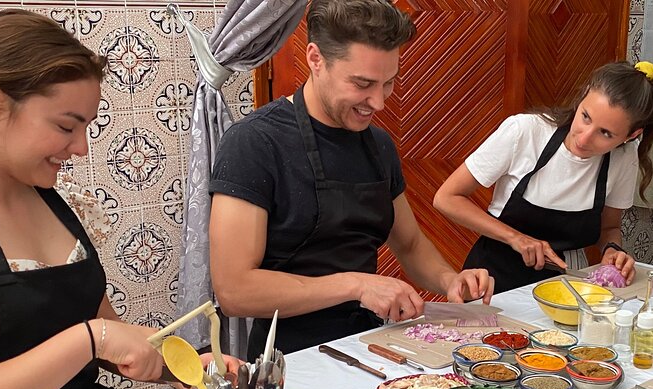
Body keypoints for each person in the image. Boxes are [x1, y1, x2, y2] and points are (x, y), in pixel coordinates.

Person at [0, 10, 238, 389]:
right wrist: (91, 339)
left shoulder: (70, 208)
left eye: (86, 126)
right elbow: (95, 335)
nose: (81, 148)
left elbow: (108, 335)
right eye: (66, 125)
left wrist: (180, 366)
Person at [208, 0, 494, 362]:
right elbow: (235, 291)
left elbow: (408, 243)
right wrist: (357, 284)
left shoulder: (379, 146)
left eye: (388, 83)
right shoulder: (255, 143)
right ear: (315, 58)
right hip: (288, 360)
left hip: (371, 345)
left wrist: (448, 279)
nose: (378, 102)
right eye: (362, 84)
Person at [433, 61, 653, 294]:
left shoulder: (624, 158)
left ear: (632, 135)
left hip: (567, 287)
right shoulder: (525, 132)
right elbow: (446, 198)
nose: (584, 138)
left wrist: (612, 249)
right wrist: (516, 238)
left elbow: (609, 226)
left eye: (606, 133)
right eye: (585, 117)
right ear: (583, 95)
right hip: (492, 282)